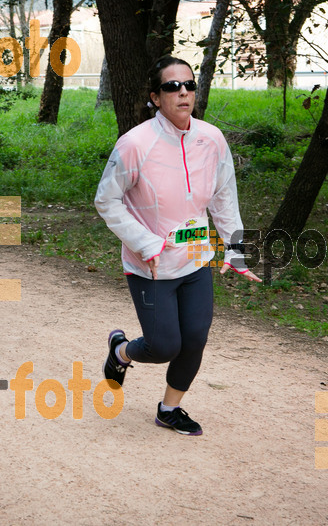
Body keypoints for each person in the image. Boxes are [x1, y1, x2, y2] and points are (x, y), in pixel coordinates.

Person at [95, 56, 262, 436]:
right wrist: (146, 243)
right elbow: (106, 200)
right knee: (164, 345)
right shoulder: (135, 144)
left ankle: (169, 409)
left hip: (196, 260)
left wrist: (234, 249)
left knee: (195, 340)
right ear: (155, 96)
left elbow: (224, 199)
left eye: (189, 85)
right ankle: (120, 351)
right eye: (172, 86)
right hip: (150, 265)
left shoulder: (211, 139)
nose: (183, 92)